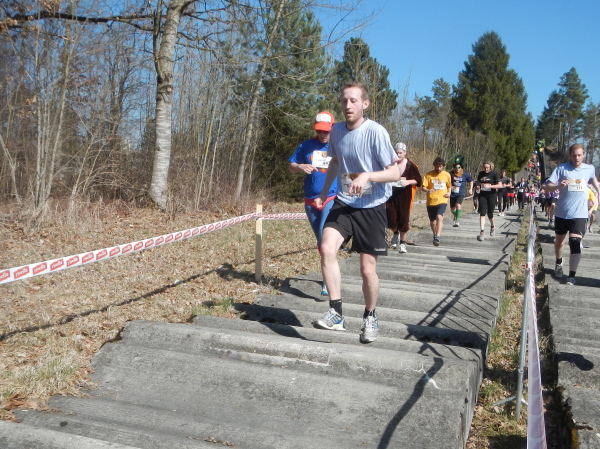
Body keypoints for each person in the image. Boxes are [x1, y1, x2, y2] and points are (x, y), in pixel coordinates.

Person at [313, 82, 399, 343]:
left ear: (365, 104)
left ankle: (370, 316)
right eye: (344, 101)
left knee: (366, 269)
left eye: (353, 100)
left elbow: (395, 173)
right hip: (344, 201)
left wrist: (367, 176)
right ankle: (336, 313)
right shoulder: (337, 131)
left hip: (372, 206)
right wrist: (324, 192)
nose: (348, 105)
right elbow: (335, 161)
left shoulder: (376, 132)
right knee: (326, 248)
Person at [288, 111, 337, 296]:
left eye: (326, 131)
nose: (323, 135)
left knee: (326, 242)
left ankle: (328, 281)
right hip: (310, 200)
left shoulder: (338, 145)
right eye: (320, 131)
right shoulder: (306, 146)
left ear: (333, 128)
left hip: (331, 197)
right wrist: (300, 166)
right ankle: (328, 271)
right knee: (320, 242)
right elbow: (291, 167)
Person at [544, 143, 600, 285]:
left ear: (583, 155)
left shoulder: (589, 169)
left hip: (580, 214)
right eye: (574, 155)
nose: (577, 158)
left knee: (575, 242)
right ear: (570, 155)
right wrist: (559, 185)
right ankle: (558, 262)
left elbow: (594, 181)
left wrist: (599, 192)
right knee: (560, 241)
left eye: (579, 155)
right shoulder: (561, 168)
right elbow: (547, 187)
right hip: (562, 212)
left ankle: (571, 275)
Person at [385, 142, 422, 253]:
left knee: (403, 219)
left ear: (405, 152)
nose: (398, 155)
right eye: (396, 153)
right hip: (391, 195)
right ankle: (395, 233)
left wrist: (408, 182)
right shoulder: (390, 164)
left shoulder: (411, 165)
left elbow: (418, 181)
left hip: (405, 196)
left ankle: (402, 243)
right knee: (391, 219)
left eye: (400, 153)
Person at [421, 157, 451, 246]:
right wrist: (428, 190)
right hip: (431, 201)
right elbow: (423, 187)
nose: (439, 168)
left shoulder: (447, 175)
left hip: (442, 200)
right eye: (437, 166)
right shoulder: (428, 175)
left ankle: (438, 236)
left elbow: (449, 186)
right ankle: (434, 234)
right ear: (434, 166)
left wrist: (449, 193)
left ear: (443, 166)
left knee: (439, 217)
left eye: (440, 166)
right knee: (433, 222)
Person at [476, 161, 503, 241]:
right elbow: (478, 182)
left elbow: (500, 185)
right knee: (482, 212)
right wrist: (478, 186)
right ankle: (482, 232)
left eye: (487, 167)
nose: (486, 169)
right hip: (482, 195)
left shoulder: (494, 174)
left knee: (490, 213)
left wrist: (490, 186)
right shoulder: (481, 174)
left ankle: (492, 226)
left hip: (492, 195)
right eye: (484, 167)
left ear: (490, 167)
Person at [449, 161, 473, 227]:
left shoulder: (465, 174)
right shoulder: (451, 173)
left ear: (461, 168)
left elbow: (471, 181)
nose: (457, 169)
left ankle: (457, 220)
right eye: (456, 167)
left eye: (459, 167)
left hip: (461, 193)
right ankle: (456, 215)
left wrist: (470, 189)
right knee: (452, 209)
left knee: (458, 204)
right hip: (453, 193)